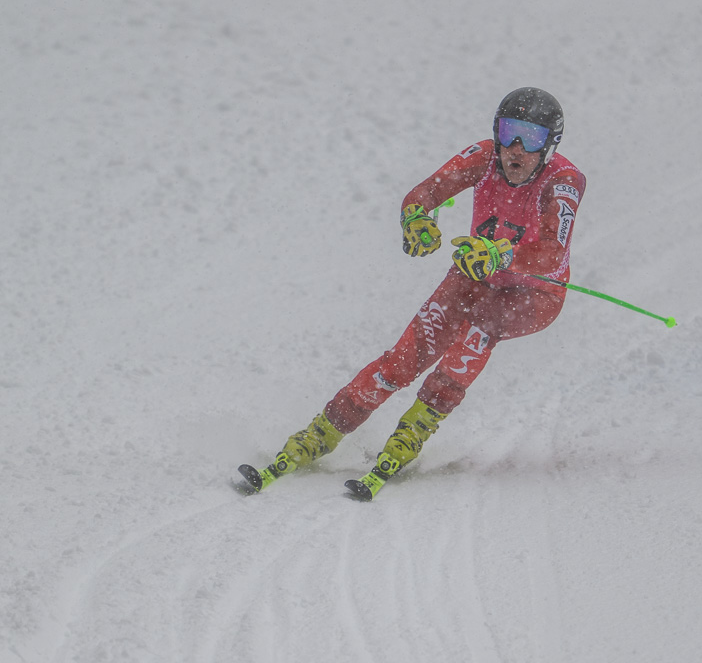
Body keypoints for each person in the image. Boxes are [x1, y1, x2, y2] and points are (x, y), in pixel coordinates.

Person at [238, 87, 585, 500]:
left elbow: (551, 253)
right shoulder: (484, 157)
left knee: (479, 327)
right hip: (475, 272)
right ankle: (319, 434)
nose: (517, 148)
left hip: (534, 295)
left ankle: (410, 435)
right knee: (403, 359)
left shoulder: (563, 181)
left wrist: (501, 252)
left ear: (550, 145)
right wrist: (416, 219)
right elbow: (424, 193)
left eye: (532, 138)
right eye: (510, 132)